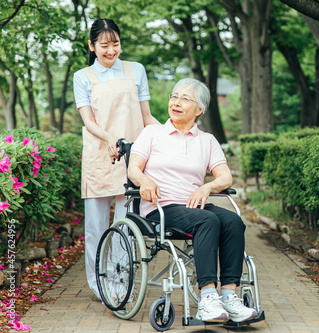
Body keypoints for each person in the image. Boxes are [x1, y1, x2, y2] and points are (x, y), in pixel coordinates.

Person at [127, 78, 258, 323]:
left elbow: (225, 177)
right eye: (174, 97)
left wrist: (207, 186)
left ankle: (229, 296)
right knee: (207, 220)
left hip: (193, 206)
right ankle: (208, 297)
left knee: (232, 221)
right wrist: (144, 181)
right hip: (161, 207)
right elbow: (134, 169)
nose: (176, 102)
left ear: (199, 110)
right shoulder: (152, 133)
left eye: (185, 99)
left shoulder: (206, 140)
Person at [73, 18, 160, 300]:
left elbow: (146, 117)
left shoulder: (136, 70)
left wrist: (173, 134)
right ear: (92, 45)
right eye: (104, 45)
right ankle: (99, 283)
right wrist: (110, 138)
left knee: (126, 224)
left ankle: (120, 282)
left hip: (132, 157)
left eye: (116, 44)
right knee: (97, 226)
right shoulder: (83, 76)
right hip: (101, 155)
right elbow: (88, 121)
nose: (111, 51)